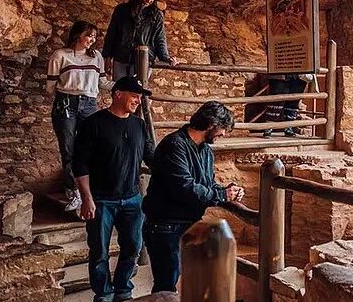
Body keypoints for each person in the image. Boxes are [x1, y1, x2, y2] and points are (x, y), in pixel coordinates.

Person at [142, 101, 245, 293]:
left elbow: (207, 184)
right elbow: (184, 188)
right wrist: (222, 194)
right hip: (165, 226)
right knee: (166, 287)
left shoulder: (205, 150)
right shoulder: (174, 145)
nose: (224, 134)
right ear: (211, 124)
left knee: (191, 281)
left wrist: (228, 190)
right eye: (223, 129)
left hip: (188, 224)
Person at [73, 76, 155, 302]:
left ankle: (123, 289)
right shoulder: (93, 124)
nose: (138, 101)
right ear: (118, 93)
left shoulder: (139, 124)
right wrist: (86, 198)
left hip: (132, 199)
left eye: (140, 97)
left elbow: (151, 157)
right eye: (135, 95)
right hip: (101, 200)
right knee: (99, 251)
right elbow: (79, 164)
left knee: (133, 247)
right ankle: (104, 294)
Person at [47, 20, 113, 212]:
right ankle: (73, 191)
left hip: (89, 103)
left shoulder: (97, 57)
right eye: (89, 35)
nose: (92, 40)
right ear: (77, 35)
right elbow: (50, 87)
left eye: (94, 36)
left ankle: (89, 191)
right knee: (68, 148)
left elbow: (102, 82)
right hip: (66, 102)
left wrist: (121, 85)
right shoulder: (60, 55)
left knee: (90, 147)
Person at [102, 0, 178, 81]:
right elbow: (112, 33)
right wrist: (107, 56)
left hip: (143, 59)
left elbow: (160, 38)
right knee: (120, 88)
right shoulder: (122, 10)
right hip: (121, 55)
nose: (148, 0)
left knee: (139, 90)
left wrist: (166, 57)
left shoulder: (156, 15)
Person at [262, 73, 317, 138]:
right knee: (276, 101)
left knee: (293, 102)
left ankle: (289, 127)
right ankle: (268, 127)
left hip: (299, 76)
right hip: (280, 73)